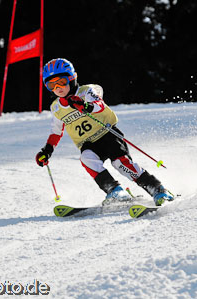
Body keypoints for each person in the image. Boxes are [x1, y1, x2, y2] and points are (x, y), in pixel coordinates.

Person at [35, 58, 174, 206]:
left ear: (71, 78)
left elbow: (99, 105)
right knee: (86, 158)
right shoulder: (56, 107)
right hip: (88, 143)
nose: (57, 87)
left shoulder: (86, 91)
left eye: (61, 82)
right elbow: (56, 132)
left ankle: (158, 189)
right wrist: (47, 150)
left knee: (121, 164)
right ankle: (114, 190)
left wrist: (85, 106)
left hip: (107, 134)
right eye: (51, 84)